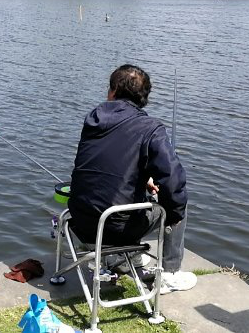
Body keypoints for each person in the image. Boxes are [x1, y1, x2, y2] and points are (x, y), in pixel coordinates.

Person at [68, 64, 196, 293]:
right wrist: (172, 216)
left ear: (112, 91)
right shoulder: (151, 128)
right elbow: (174, 182)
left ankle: (126, 257)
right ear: (144, 98)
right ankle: (169, 273)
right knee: (177, 203)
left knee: (132, 195)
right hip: (116, 227)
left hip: (79, 220)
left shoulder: (93, 120)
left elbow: (108, 163)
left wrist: (143, 179)